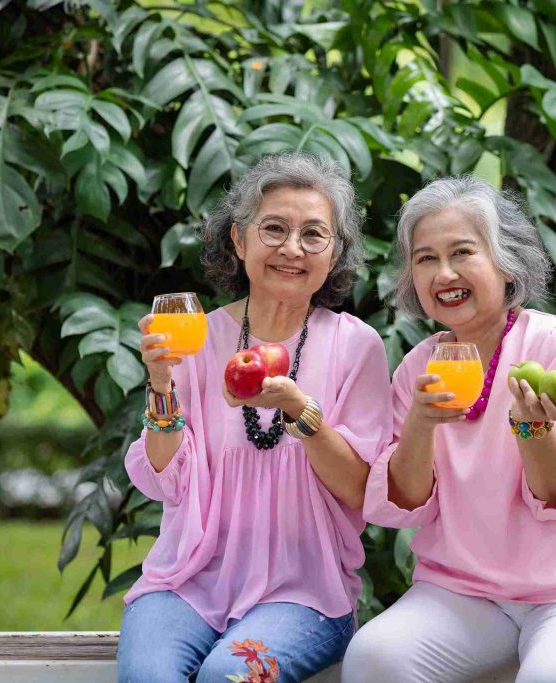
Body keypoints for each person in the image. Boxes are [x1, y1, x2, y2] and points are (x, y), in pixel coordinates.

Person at [342, 177, 556, 683]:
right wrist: (421, 426)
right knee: (374, 659)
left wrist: (533, 431)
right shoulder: (417, 368)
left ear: (505, 261)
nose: (443, 272)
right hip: (465, 592)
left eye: (462, 252)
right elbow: (404, 502)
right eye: (426, 258)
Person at [117, 153, 391, 683]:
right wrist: (161, 383)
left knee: (229, 677)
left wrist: (299, 410)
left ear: (334, 255)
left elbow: (360, 489)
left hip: (306, 594)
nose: (292, 248)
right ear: (240, 242)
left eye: (314, 234)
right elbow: (165, 479)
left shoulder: (356, 347)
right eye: (274, 229)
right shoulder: (195, 336)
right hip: (188, 582)